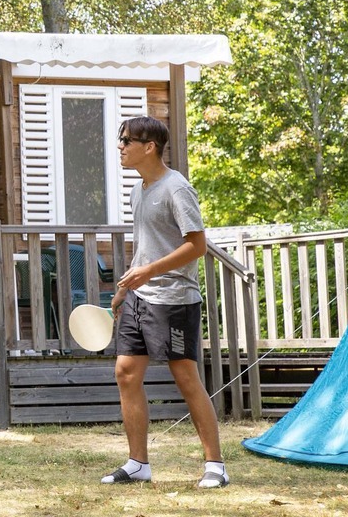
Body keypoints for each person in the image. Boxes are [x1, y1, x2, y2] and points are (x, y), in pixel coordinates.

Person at [102, 116, 227, 489]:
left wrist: (149, 271)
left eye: (126, 140)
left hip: (174, 299)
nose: (120, 146)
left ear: (149, 146)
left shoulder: (177, 189)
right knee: (126, 372)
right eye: (121, 139)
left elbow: (197, 246)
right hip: (140, 296)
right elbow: (146, 246)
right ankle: (137, 464)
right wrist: (127, 286)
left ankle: (216, 467)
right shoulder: (138, 190)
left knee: (186, 378)